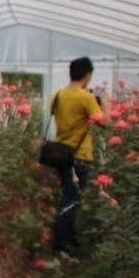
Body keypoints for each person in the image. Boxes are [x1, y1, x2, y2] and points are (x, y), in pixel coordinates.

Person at [50, 57, 110, 253]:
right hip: (79, 155)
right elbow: (104, 123)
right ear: (87, 76)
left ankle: (68, 237)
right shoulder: (86, 98)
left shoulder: (57, 95)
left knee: (69, 194)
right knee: (71, 199)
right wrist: (105, 102)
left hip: (60, 153)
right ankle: (62, 242)